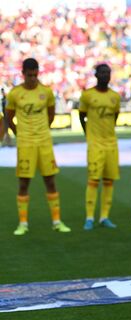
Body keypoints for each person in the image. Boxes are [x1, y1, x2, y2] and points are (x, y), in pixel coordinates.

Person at [6, 58, 71, 235]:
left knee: (50, 180)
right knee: (23, 183)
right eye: (29, 75)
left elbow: (50, 116)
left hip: (44, 142)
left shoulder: (46, 92)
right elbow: (8, 117)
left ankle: (57, 221)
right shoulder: (15, 93)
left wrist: (42, 130)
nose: (33, 78)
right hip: (26, 143)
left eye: (35, 75)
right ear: (23, 74)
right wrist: (19, 133)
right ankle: (23, 224)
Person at [79, 64, 121, 230]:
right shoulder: (88, 95)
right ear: (96, 75)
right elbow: (82, 116)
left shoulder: (115, 97)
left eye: (108, 73)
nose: (105, 75)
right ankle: (89, 217)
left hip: (111, 144)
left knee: (109, 181)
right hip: (95, 144)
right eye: (102, 73)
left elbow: (115, 116)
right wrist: (88, 134)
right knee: (93, 180)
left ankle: (104, 217)